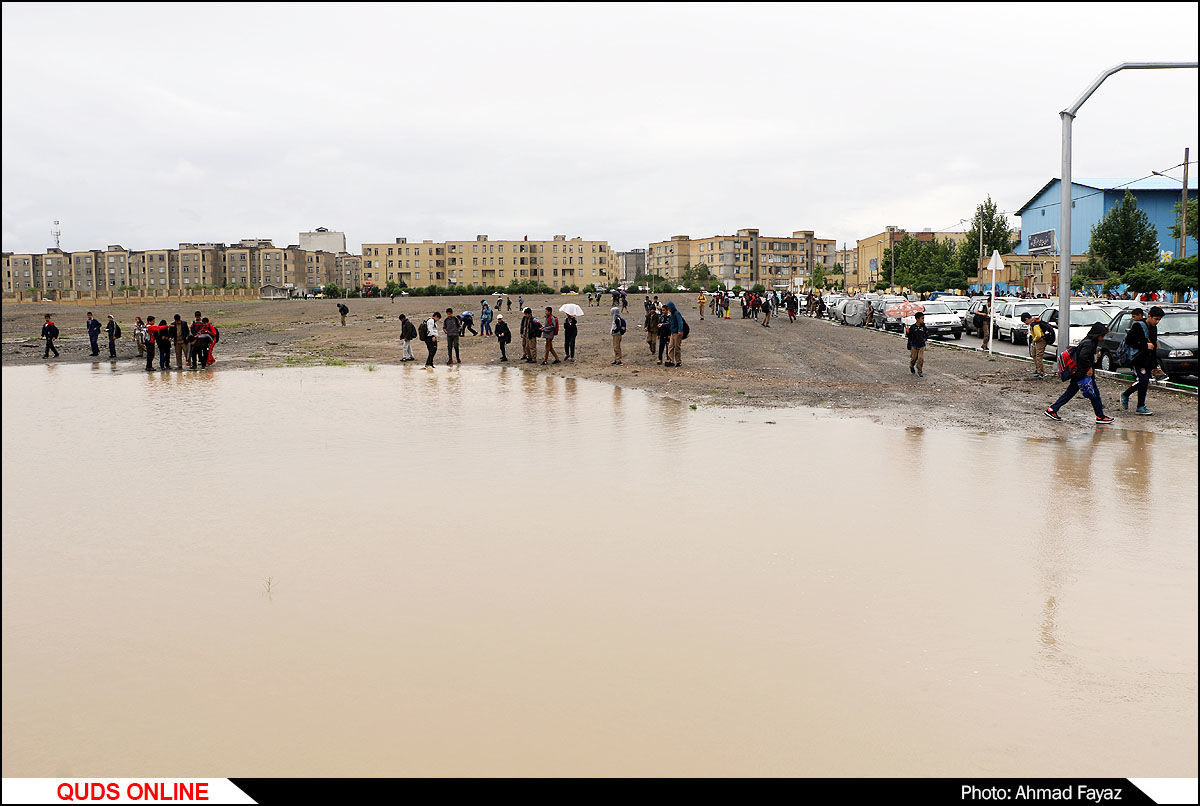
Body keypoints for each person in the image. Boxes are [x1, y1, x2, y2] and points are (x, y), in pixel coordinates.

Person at [1045, 322, 1114, 424]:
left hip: (1079, 373)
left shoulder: (1089, 341)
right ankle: (1100, 416)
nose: (1103, 338)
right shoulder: (1089, 343)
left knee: (1071, 393)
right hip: (1083, 373)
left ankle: (1052, 409)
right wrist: (1089, 368)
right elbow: (1083, 357)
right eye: (1102, 335)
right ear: (1097, 335)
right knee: (1094, 394)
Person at [1120, 306, 1163, 416]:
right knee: (1142, 380)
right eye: (1156, 319)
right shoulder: (1138, 326)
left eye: (1159, 319)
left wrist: (1154, 365)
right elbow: (1129, 341)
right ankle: (1125, 394)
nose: (1157, 322)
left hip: (1148, 360)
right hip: (1137, 359)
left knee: (1145, 383)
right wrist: (1144, 345)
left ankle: (1140, 406)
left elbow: (1153, 346)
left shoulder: (1154, 328)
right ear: (1149, 316)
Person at [1021, 311, 1050, 379]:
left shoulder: (1034, 324)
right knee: (1034, 354)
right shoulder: (1034, 322)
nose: (1026, 323)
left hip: (1041, 340)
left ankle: (1041, 373)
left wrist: (1034, 340)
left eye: (1025, 322)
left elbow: (1038, 335)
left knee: (1038, 356)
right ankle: (1038, 369)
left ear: (1027, 319)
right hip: (1039, 341)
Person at [906, 311, 928, 377]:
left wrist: (924, 340)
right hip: (914, 345)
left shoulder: (924, 327)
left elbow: (926, 335)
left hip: (921, 345)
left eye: (923, 318)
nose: (923, 320)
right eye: (922, 318)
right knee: (914, 358)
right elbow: (910, 337)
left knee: (921, 358)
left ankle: (919, 370)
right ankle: (911, 366)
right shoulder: (912, 327)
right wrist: (909, 344)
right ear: (917, 319)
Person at [665, 300, 684, 368]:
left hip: (677, 333)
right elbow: (670, 323)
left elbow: (680, 322)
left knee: (677, 347)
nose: (668, 310)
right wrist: (663, 324)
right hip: (673, 332)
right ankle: (671, 360)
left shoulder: (676, 313)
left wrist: (680, 330)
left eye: (669, 308)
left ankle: (678, 361)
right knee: (670, 346)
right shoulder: (672, 315)